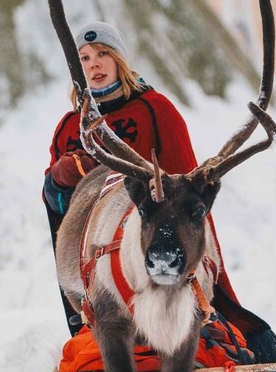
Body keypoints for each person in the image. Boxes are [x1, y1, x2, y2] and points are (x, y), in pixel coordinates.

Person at [43, 21, 239, 335]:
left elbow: (187, 190)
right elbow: (55, 206)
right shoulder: (70, 127)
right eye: (84, 58)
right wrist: (60, 177)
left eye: (103, 53)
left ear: (119, 59)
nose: (94, 63)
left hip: (156, 249)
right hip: (96, 257)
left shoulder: (155, 110)